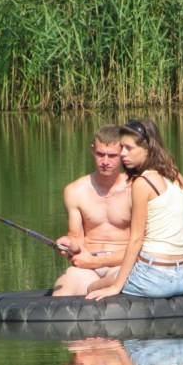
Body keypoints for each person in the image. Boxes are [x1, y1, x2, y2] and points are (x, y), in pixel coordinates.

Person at [86, 118, 183, 300]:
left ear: (147, 149)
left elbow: (136, 239)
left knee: (93, 287)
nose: (122, 154)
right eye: (122, 147)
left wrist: (116, 286)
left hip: (153, 279)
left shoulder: (143, 183)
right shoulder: (178, 178)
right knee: (116, 275)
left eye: (129, 148)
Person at [51, 125, 132, 296]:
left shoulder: (136, 189)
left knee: (120, 279)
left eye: (112, 156)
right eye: (100, 154)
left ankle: (94, 289)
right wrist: (68, 243)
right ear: (92, 150)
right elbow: (76, 238)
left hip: (121, 263)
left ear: (123, 154)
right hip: (86, 263)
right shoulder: (75, 191)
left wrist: (95, 261)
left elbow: (144, 245)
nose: (105, 161)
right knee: (62, 289)